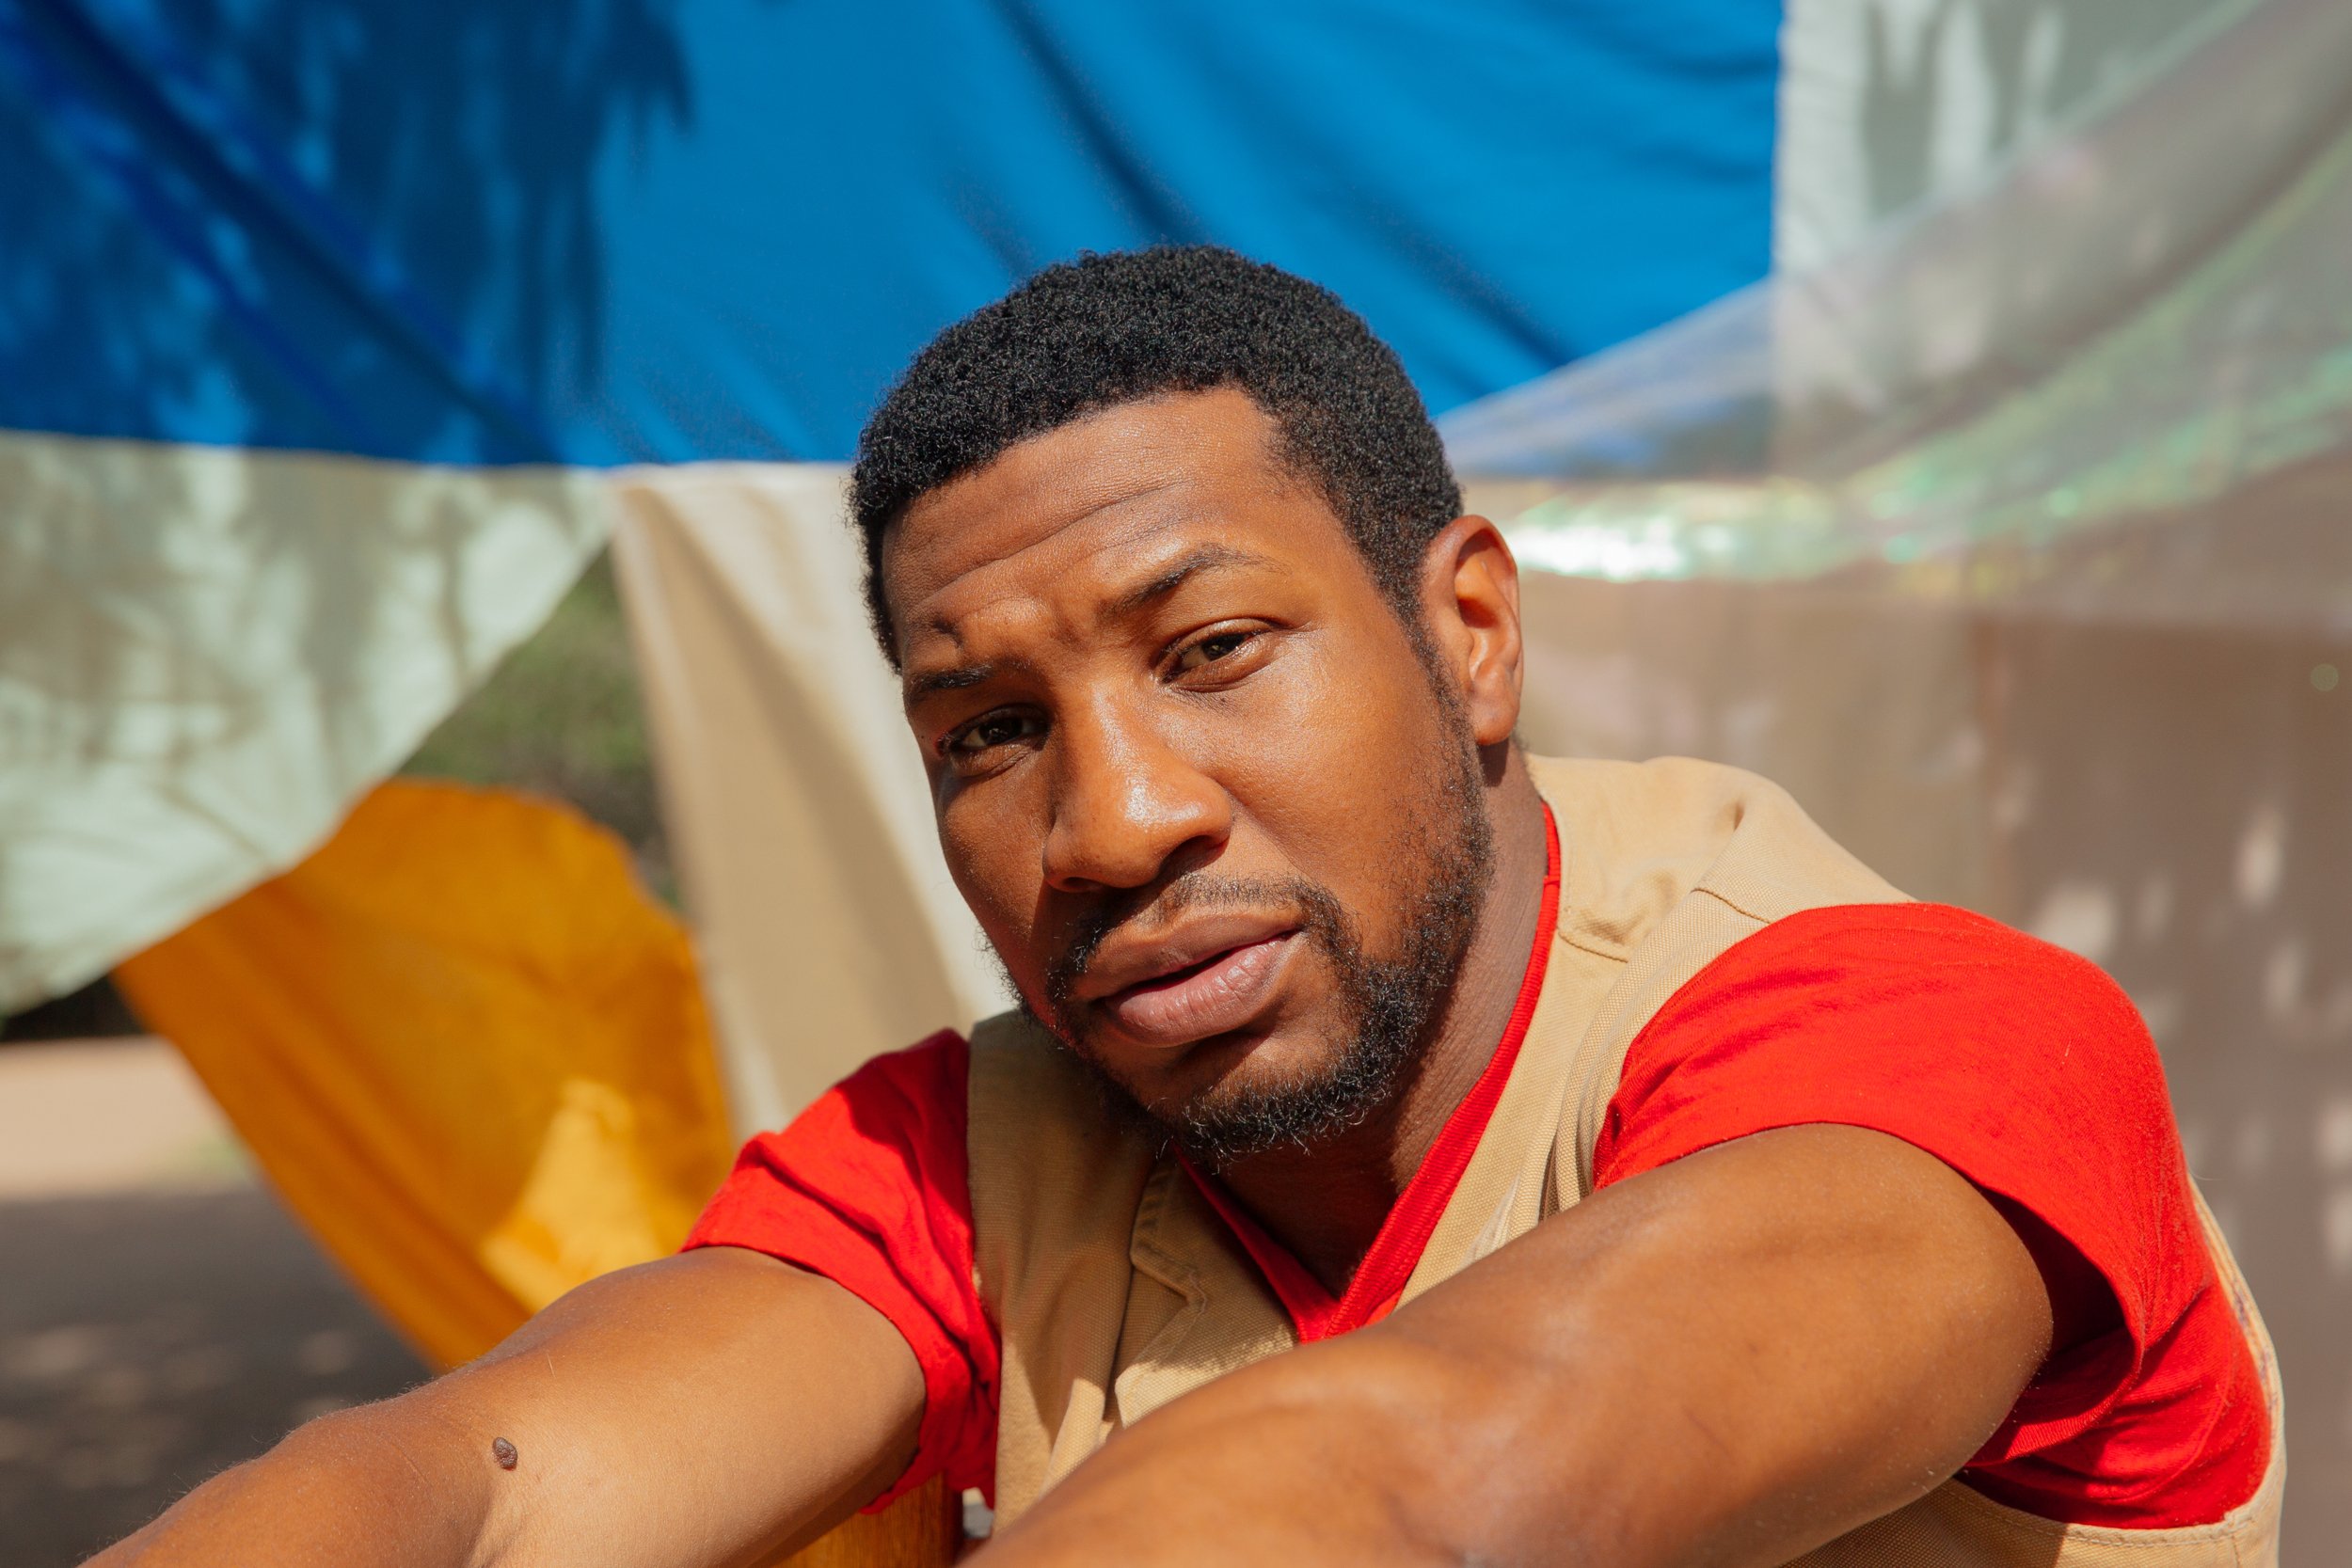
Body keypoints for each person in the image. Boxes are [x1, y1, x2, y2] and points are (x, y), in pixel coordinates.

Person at [92, 247, 2280, 1568]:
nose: (1113, 823)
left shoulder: (1921, 1045)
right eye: (984, 731)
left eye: (1210, 647)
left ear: (1472, 634)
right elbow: (473, 1482)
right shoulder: (973, 1150)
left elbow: (1450, 1491)